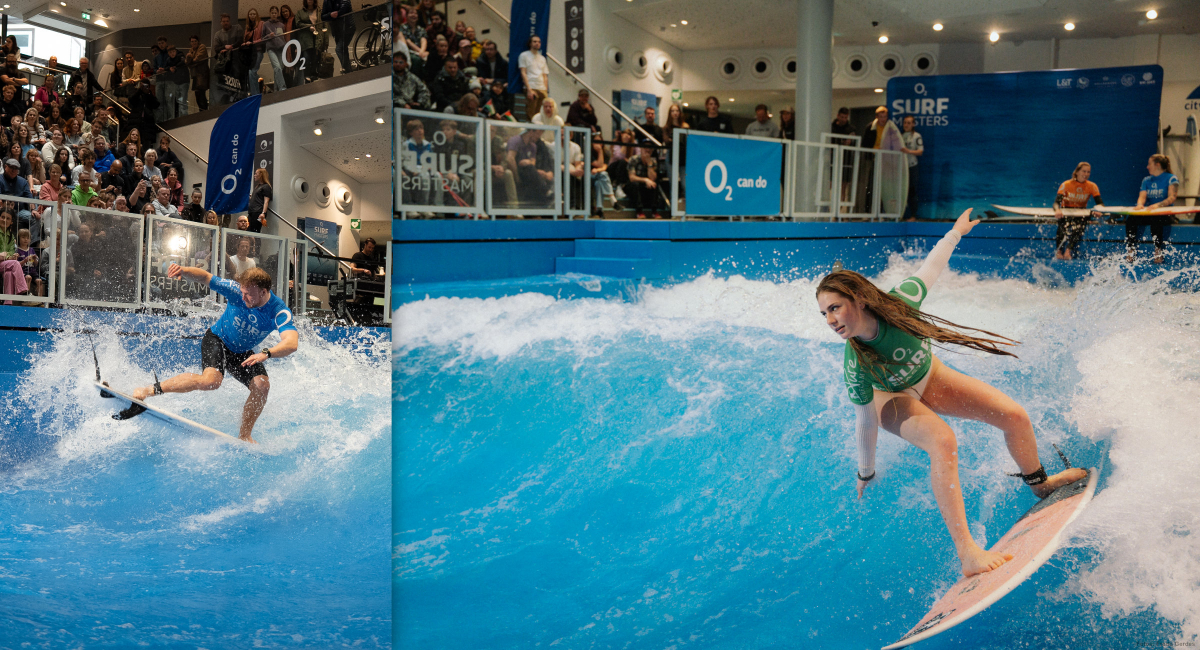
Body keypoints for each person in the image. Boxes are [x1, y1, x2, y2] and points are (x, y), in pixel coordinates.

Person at [816, 208, 1089, 577]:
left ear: (859, 300)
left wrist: (956, 232)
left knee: (1014, 416)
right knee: (943, 440)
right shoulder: (856, 362)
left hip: (930, 375)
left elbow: (931, 267)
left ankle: (1040, 485)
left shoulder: (902, 303)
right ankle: (968, 553)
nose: (831, 320)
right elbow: (865, 421)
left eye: (835, 308)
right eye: (824, 314)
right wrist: (865, 472)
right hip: (891, 400)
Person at [129, 264, 298, 443]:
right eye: (242, 292)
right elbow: (206, 277)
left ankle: (244, 436)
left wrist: (267, 353)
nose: (244, 297)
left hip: (241, 352)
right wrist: (184, 271)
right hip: (217, 339)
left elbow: (291, 343)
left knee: (262, 386)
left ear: (264, 292)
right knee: (210, 382)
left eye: (249, 294)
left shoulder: (278, 311)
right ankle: (148, 390)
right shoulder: (235, 291)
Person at [1126, 154, 1179, 264]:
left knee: (1156, 219)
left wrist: (1158, 205)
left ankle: (1158, 251)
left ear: (1157, 165)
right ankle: (1131, 250)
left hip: (1165, 213)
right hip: (1150, 212)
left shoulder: (1171, 178)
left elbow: (1172, 197)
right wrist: (1140, 204)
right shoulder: (1147, 180)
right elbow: (1142, 196)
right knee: (1131, 218)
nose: (1147, 167)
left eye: (1149, 164)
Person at [1052, 162, 1102, 260]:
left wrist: (1098, 210)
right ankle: (1059, 251)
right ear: (1077, 172)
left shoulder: (1092, 186)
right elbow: (1056, 203)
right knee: (1062, 224)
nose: (1086, 174)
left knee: (1081, 225)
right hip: (1066, 211)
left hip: (1081, 213)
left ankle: (1068, 251)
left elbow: (1100, 204)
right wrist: (1057, 210)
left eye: (1088, 172)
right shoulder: (1066, 185)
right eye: (1084, 171)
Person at [212, 12, 246, 103]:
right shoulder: (218, 34)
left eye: (227, 21)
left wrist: (230, 47)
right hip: (225, 64)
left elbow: (240, 41)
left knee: (239, 78)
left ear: (229, 21)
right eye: (224, 21)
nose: (226, 23)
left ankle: (240, 97)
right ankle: (230, 98)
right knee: (227, 81)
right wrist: (224, 47)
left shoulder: (237, 28)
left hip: (238, 59)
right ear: (221, 22)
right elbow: (216, 48)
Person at [625, 146, 661, 219]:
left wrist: (649, 165)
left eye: (650, 148)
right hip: (634, 186)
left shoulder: (653, 161)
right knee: (634, 185)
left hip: (645, 188)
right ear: (641, 149)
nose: (647, 149)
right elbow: (632, 178)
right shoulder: (633, 159)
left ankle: (654, 211)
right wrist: (645, 180)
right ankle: (639, 211)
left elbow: (653, 178)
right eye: (645, 148)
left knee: (654, 184)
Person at [518, 36, 549, 122]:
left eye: (539, 42)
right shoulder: (524, 55)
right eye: (535, 41)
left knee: (541, 113)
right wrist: (529, 89)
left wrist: (545, 91)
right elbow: (523, 72)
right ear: (530, 43)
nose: (537, 43)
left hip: (542, 88)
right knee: (531, 113)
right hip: (531, 86)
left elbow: (545, 76)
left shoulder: (542, 58)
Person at [900, 115, 924, 222]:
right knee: (900, 191)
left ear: (913, 124)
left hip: (912, 166)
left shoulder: (916, 136)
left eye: (909, 123)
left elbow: (920, 151)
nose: (906, 125)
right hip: (901, 168)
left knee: (912, 191)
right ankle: (899, 214)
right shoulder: (899, 136)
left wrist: (908, 151)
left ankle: (913, 215)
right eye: (905, 122)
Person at [322, 0, 354, 75]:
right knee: (343, 50)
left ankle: (348, 71)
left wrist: (332, 15)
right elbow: (323, 16)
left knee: (339, 49)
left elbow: (342, 10)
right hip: (336, 30)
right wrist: (330, 14)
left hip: (347, 28)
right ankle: (348, 71)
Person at [186, 35, 210, 111]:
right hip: (196, 75)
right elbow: (187, 62)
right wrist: (191, 59)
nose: (194, 43)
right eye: (192, 41)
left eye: (195, 41)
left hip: (202, 74)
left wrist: (190, 58)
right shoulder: (191, 50)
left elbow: (197, 58)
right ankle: (201, 111)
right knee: (197, 94)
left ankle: (204, 111)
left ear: (198, 41)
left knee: (201, 94)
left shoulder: (202, 47)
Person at [247, 168, 272, 233]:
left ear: (261, 175)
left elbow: (266, 201)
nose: (254, 175)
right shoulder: (257, 186)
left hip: (258, 212)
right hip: (252, 211)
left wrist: (263, 213)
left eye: (256, 174)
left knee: (255, 231)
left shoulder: (266, 187)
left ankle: (256, 243)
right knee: (249, 230)